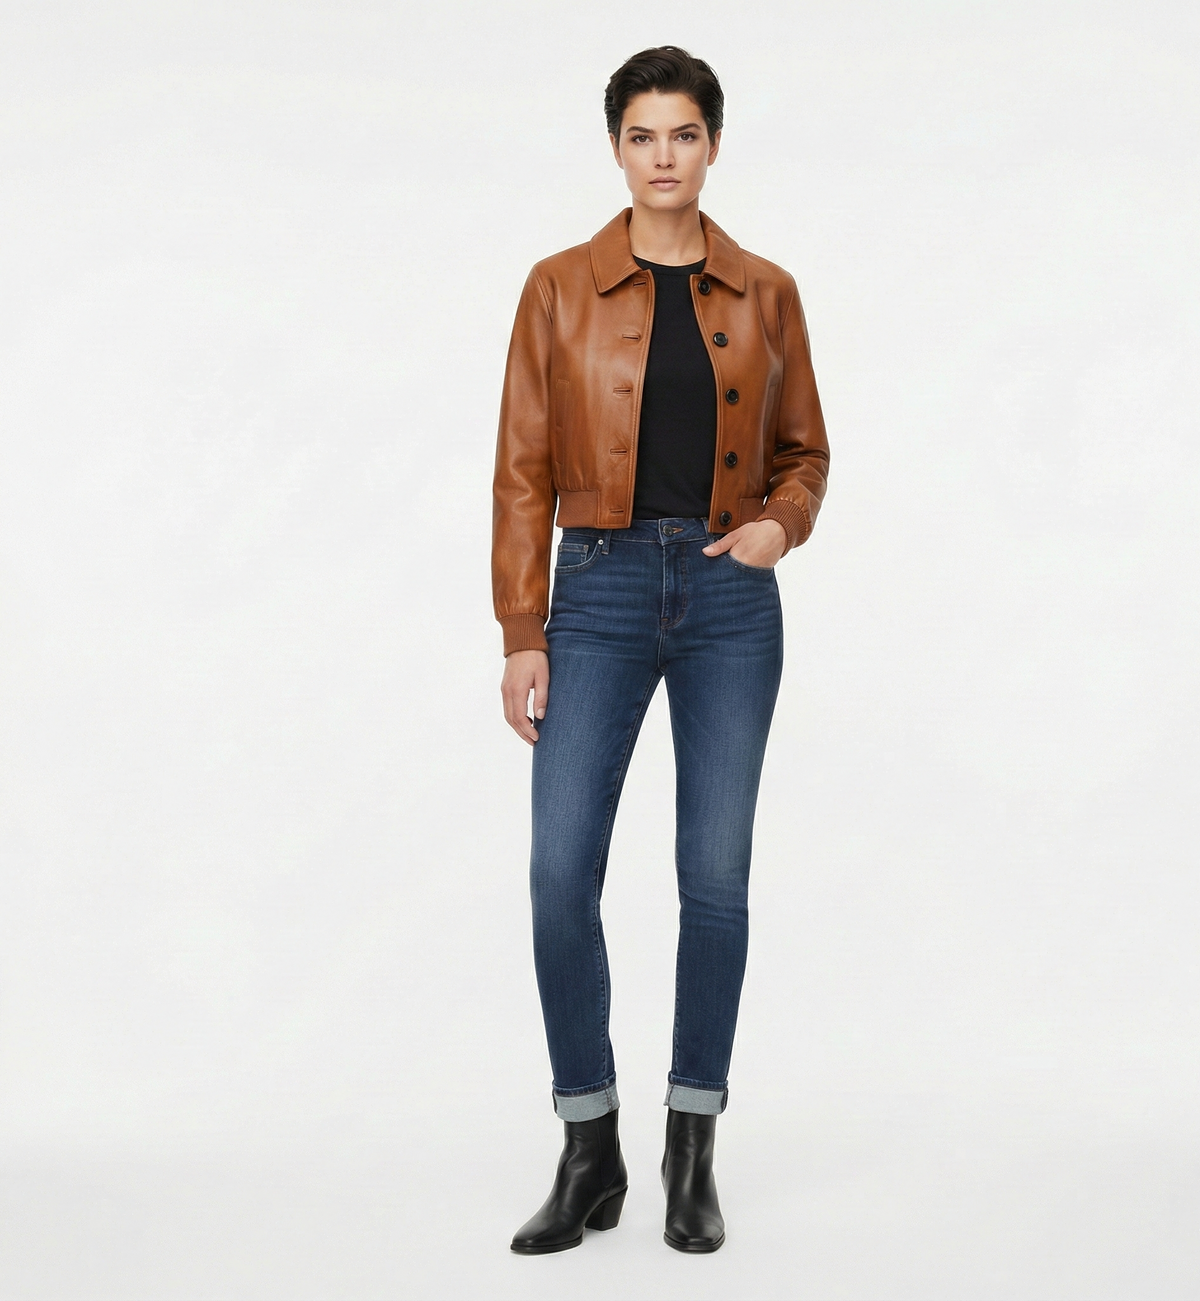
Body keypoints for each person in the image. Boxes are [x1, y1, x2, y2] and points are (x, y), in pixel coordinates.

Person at [493, 45, 829, 1255]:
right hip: (598, 588)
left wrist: (780, 525)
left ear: (714, 145)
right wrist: (522, 629)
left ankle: (693, 1147)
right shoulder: (556, 288)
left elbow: (805, 450)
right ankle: (590, 1145)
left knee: (715, 877)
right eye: (643, 136)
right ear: (617, 150)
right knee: (558, 872)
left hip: (732, 600)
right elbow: (523, 466)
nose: (664, 157)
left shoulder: (768, 291)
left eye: (684, 134)